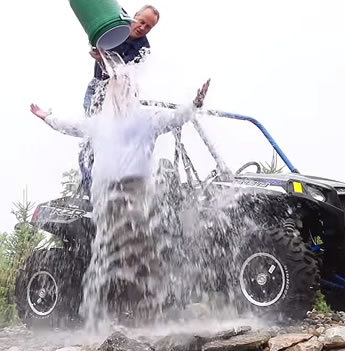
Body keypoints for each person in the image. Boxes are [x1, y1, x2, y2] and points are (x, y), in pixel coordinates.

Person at [30, 71, 210, 323]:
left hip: (136, 191)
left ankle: (147, 313)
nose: (121, 95)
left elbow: (176, 118)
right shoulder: (99, 123)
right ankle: (122, 314)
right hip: (106, 194)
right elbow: (70, 126)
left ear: (134, 94)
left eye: (126, 89)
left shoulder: (148, 118)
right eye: (115, 90)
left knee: (142, 251)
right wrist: (47, 117)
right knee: (119, 252)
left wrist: (194, 105)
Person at [77, 5, 160, 198]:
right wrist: (97, 51)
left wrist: (101, 59)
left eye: (148, 27)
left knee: (120, 138)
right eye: (142, 21)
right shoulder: (116, 21)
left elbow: (119, 73)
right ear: (135, 16)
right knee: (91, 137)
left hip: (121, 96)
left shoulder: (143, 49)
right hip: (97, 89)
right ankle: (89, 189)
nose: (142, 28)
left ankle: (123, 185)